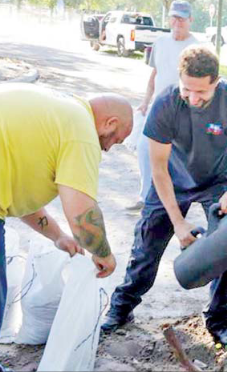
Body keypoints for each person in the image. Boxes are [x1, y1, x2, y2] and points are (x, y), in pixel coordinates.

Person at [101, 46, 227, 349]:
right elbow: (159, 170)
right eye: (186, 89)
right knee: (146, 247)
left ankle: (218, 320)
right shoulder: (166, 102)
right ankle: (121, 308)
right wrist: (178, 222)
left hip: (217, 182)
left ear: (216, 82)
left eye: (201, 92)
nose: (192, 98)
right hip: (172, 180)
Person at [0, 84, 133, 370]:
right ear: (110, 122)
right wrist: (103, 253)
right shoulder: (82, 132)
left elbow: (19, 192)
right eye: (115, 140)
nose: (108, 148)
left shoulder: (59, 113)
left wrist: (58, 236)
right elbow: (81, 212)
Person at [127, 0, 198, 211]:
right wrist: (145, 101)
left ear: (190, 20)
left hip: (182, 110)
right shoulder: (160, 42)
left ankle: (171, 200)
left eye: (182, 19)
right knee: (143, 149)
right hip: (158, 106)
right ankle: (145, 196)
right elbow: (155, 74)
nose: (177, 23)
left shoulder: (197, 47)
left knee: (174, 156)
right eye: (174, 18)